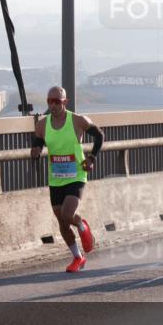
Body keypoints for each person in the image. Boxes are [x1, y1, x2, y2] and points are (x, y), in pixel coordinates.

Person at [30, 86, 104, 272]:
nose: (53, 105)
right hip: (56, 178)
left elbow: (99, 135)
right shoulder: (42, 124)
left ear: (65, 102)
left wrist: (91, 158)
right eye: (49, 101)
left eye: (57, 101)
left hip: (76, 174)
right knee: (62, 223)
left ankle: (80, 224)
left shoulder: (77, 120)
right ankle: (78, 258)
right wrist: (36, 151)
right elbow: (37, 142)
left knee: (67, 214)